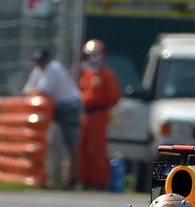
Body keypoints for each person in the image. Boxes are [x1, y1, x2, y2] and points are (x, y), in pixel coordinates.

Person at [23, 47, 82, 187]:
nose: (40, 64)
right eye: (38, 61)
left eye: (42, 61)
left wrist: (31, 92)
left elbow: (43, 91)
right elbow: (27, 89)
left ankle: (72, 179)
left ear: (48, 59)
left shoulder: (53, 69)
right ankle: (48, 177)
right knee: (46, 139)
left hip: (69, 106)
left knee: (71, 143)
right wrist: (32, 92)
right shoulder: (38, 70)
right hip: (55, 106)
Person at [77, 39, 122, 190]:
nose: (93, 57)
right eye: (90, 54)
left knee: (97, 149)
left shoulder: (107, 74)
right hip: (85, 114)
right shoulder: (87, 74)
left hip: (98, 114)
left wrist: (104, 107)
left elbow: (114, 96)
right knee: (84, 148)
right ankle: (85, 180)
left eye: (96, 54)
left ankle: (100, 182)